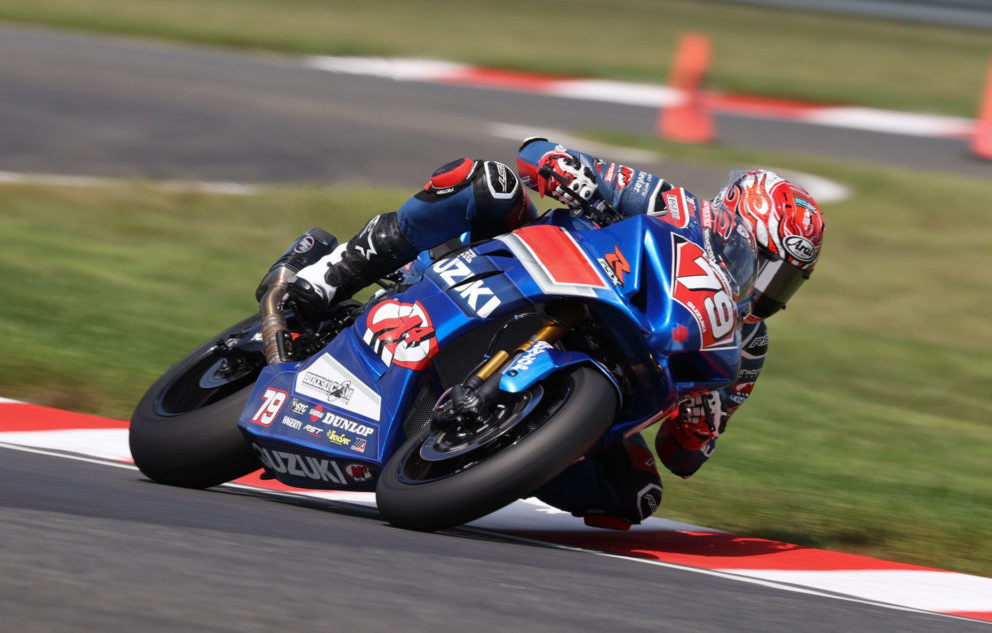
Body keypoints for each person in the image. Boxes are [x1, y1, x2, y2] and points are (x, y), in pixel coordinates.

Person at [267, 138, 826, 529]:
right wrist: (571, 173)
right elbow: (537, 153)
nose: (770, 289)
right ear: (736, 223)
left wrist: (701, 420)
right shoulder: (672, 205)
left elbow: (684, 457)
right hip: (532, 268)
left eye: (788, 282)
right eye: (769, 265)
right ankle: (328, 275)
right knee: (486, 183)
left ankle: (492, 456)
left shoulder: (746, 346)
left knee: (634, 497)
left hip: (612, 365)